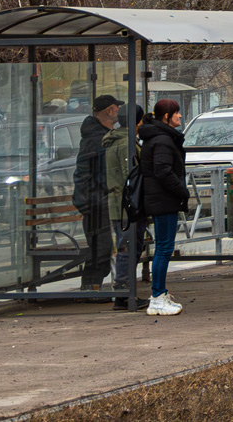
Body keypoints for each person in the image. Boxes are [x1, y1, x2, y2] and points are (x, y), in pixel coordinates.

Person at [139, 99, 188, 316]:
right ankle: (158, 296)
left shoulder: (159, 138)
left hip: (161, 199)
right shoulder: (162, 140)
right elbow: (162, 171)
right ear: (166, 117)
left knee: (164, 247)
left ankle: (159, 294)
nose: (179, 117)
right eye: (176, 113)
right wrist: (182, 191)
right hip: (164, 200)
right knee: (164, 248)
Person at [72, 94, 119, 291]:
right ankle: (90, 286)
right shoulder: (96, 139)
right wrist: (87, 201)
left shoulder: (102, 135)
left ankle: (92, 287)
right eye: (117, 108)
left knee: (103, 247)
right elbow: (83, 172)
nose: (119, 111)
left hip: (101, 200)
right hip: (95, 203)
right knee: (101, 247)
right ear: (109, 110)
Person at [104, 104, 145, 310]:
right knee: (127, 248)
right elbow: (130, 176)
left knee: (128, 246)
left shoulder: (119, 140)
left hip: (121, 204)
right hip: (125, 206)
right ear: (136, 120)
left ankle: (125, 292)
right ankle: (123, 294)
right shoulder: (125, 144)